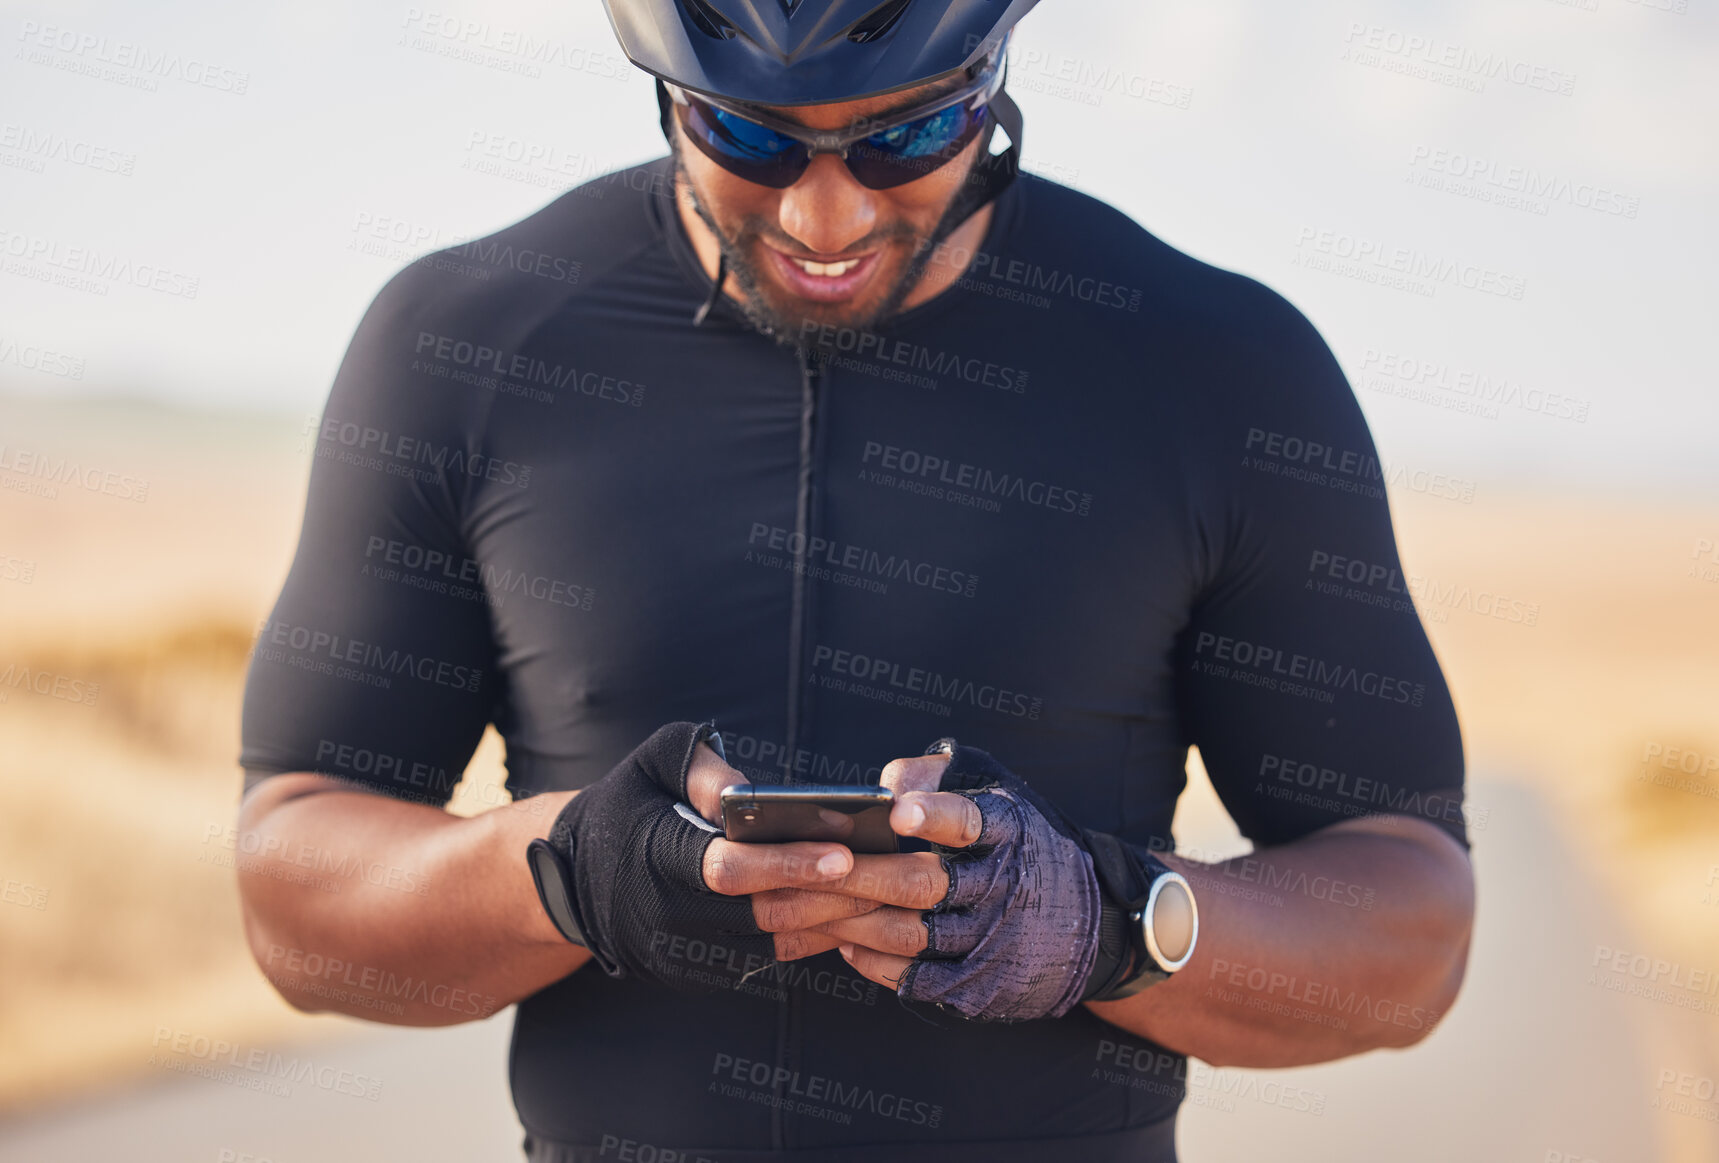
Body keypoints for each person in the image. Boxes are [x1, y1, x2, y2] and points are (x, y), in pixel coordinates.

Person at [235, 1, 1476, 1159]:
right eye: (749, 137)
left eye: (911, 134)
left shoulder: (1223, 370)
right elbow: (293, 898)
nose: (823, 219)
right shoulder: (467, 340)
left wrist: (1108, 923)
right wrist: (563, 868)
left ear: (993, 83)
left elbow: (1412, 934)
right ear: (664, 94)